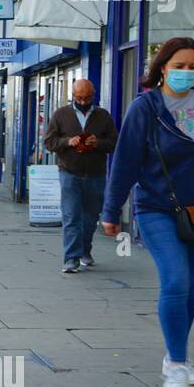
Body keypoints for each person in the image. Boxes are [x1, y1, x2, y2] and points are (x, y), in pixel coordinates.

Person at [101, 37, 194, 387]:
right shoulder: (145, 108)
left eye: (192, 67)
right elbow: (125, 162)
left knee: (192, 288)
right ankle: (178, 365)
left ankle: (174, 356)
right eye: (179, 66)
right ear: (162, 67)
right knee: (176, 280)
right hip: (157, 209)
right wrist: (110, 211)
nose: (186, 73)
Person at [45, 80, 118, 273]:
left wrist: (98, 143)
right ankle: (71, 258)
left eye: (87, 98)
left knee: (90, 216)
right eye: (79, 98)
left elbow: (113, 143)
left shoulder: (103, 116)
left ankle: (85, 249)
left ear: (93, 95)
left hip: (96, 174)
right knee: (71, 216)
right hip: (69, 172)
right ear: (73, 95)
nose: (83, 102)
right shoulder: (61, 114)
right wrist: (68, 141)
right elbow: (49, 142)